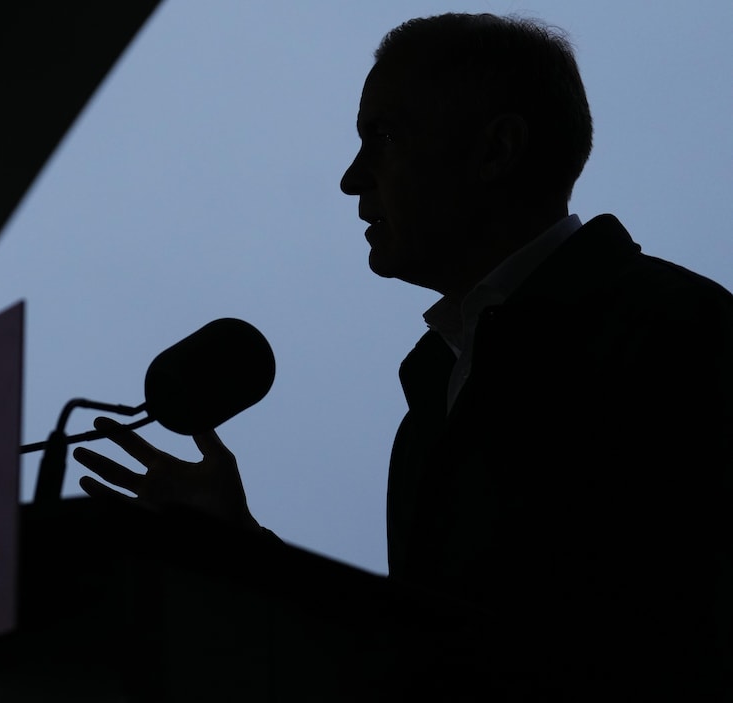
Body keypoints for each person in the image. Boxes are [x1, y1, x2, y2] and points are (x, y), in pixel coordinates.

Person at [74, 12, 732, 698]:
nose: (351, 178)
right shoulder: (436, 395)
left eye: (381, 137)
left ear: (497, 149)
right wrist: (247, 556)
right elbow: (420, 657)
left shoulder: (676, 330)